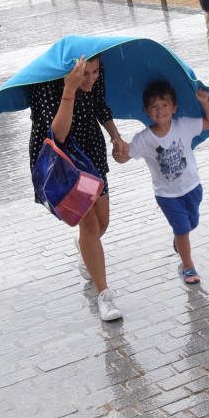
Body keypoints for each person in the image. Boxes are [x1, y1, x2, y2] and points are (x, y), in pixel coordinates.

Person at [28, 56, 129, 321]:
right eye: (86, 74)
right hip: (64, 161)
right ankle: (105, 296)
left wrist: (116, 137)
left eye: (96, 72)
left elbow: (99, 104)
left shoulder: (96, 73)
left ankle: (86, 249)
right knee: (90, 225)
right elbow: (58, 135)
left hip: (91, 151)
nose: (92, 78)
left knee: (102, 222)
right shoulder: (46, 84)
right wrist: (69, 89)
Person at [120, 80, 209, 285]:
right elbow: (124, 157)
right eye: (154, 107)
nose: (160, 111)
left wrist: (205, 103)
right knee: (182, 228)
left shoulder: (183, 125)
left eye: (165, 105)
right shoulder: (144, 138)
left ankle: (179, 241)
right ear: (146, 111)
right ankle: (188, 266)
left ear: (174, 108)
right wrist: (118, 147)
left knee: (192, 224)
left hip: (192, 187)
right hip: (167, 195)